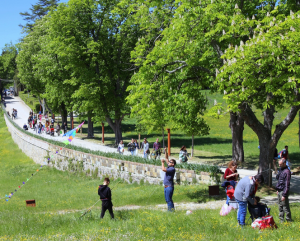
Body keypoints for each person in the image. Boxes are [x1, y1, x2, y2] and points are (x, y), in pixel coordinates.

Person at [276, 158, 292, 222]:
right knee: (280, 206)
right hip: (279, 190)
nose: (279, 165)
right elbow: (279, 180)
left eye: (280, 164)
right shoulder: (281, 170)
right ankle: (281, 219)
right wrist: (278, 189)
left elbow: (287, 184)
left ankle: (288, 220)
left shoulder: (287, 172)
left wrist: (284, 195)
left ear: (284, 163)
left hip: (283, 191)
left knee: (285, 206)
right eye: (278, 164)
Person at [161, 147, 176, 212]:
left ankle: (171, 211)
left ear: (173, 164)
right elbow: (167, 158)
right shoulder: (170, 166)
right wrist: (166, 151)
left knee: (169, 199)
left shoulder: (172, 169)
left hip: (169, 187)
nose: (169, 162)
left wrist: (162, 163)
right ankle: (171, 210)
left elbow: (163, 169)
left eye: (170, 162)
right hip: (166, 186)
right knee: (167, 199)